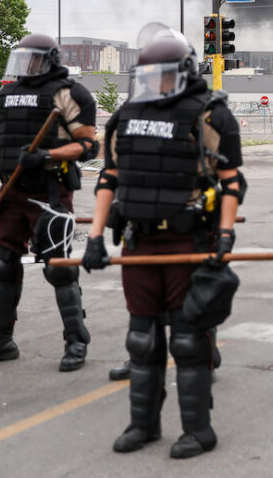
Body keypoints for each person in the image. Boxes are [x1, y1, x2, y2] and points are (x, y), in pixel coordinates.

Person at [81, 31, 244, 459]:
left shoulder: (210, 116)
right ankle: (143, 425)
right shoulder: (125, 116)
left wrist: (225, 235)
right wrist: (94, 237)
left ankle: (198, 430)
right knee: (143, 339)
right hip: (139, 243)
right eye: (149, 76)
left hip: (188, 241)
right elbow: (108, 179)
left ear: (186, 73)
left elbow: (231, 182)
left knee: (188, 340)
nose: (157, 84)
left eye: (164, 75)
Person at [0, 33, 98, 372]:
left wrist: (47, 155)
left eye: (34, 58)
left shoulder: (70, 94)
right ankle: (0, 340)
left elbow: (87, 146)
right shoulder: (5, 96)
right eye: (22, 58)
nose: (27, 65)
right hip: (11, 193)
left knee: (58, 268)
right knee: (3, 265)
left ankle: (76, 340)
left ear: (50, 59)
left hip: (49, 192)